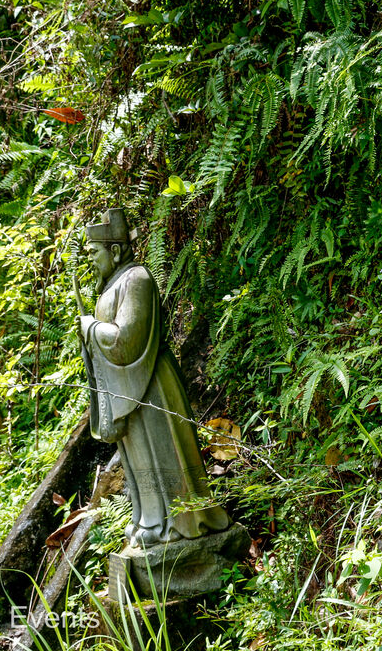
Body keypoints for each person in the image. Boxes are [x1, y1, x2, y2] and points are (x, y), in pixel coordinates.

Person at [79, 208, 231, 546]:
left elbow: (126, 340)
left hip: (151, 384)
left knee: (163, 451)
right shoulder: (113, 285)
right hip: (128, 387)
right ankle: (150, 520)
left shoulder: (137, 280)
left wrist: (90, 327)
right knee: (140, 455)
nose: (91, 261)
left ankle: (182, 521)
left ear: (115, 250)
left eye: (94, 252)